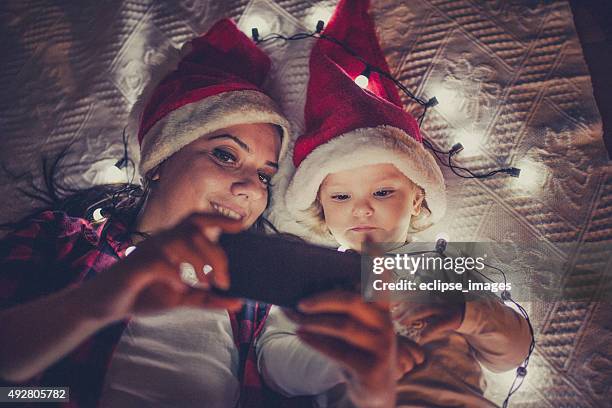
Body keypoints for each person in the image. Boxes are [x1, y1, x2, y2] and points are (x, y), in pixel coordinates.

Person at [0, 18, 398, 408]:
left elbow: (417, 277)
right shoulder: (62, 238)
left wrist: (371, 389)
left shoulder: (263, 284)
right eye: (226, 155)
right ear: (160, 161)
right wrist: (96, 303)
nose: (249, 189)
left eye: (264, 175)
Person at [282, 0, 533, 406]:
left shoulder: (439, 266)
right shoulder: (313, 274)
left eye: (382, 192)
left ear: (417, 200)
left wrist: (466, 314)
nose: (361, 209)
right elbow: (278, 366)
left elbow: (513, 352)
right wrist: (351, 357)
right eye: (341, 196)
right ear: (320, 207)